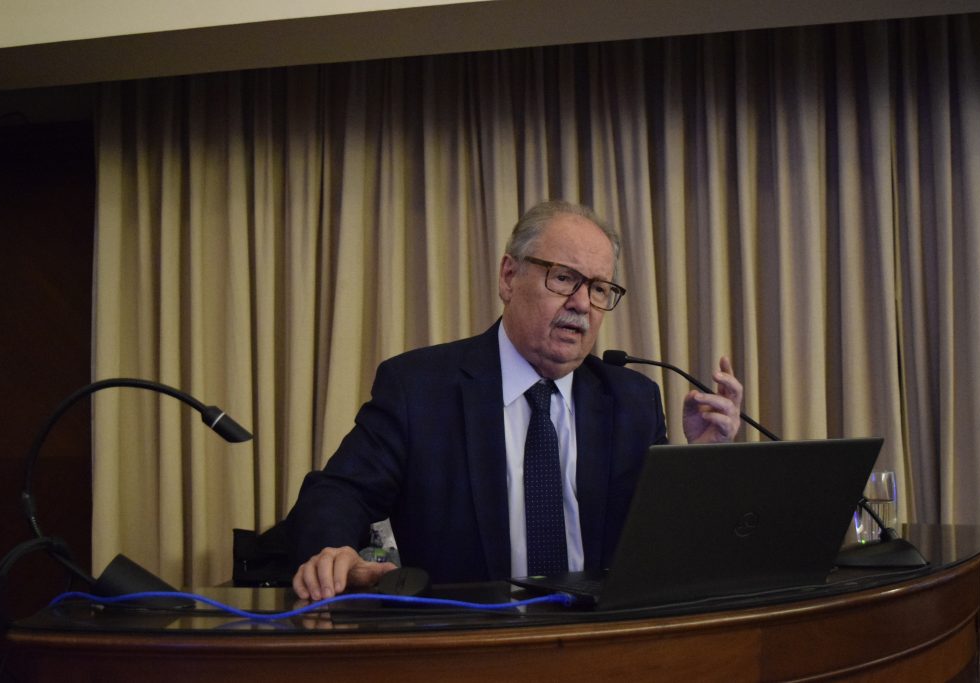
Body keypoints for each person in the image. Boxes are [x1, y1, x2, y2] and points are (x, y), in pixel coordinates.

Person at [288, 200, 743, 601]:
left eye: (600, 288)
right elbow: (337, 492)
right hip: (469, 647)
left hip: (603, 646)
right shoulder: (420, 388)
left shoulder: (632, 401)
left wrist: (699, 465)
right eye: (564, 278)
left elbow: (657, 541)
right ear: (509, 276)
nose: (583, 304)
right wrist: (336, 551)